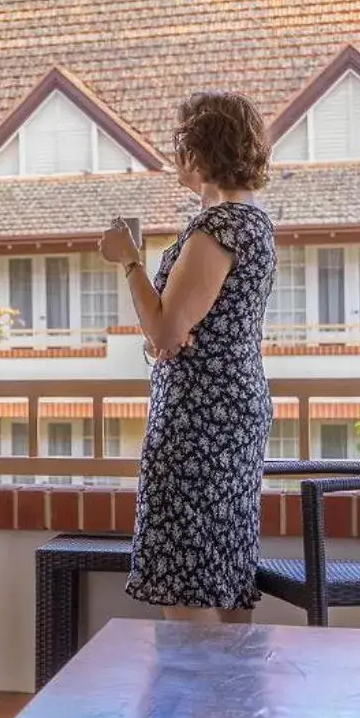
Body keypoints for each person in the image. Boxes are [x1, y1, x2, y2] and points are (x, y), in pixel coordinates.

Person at [98, 92, 276, 623]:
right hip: (234, 404)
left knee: (189, 573)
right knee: (221, 564)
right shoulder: (254, 223)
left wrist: (129, 259)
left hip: (201, 414)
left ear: (198, 151)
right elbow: (181, 331)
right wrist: (168, 336)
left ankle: (200, 701)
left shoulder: (217, 229)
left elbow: (167, 330)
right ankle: (230, 702)